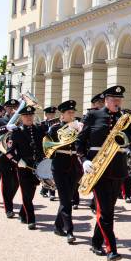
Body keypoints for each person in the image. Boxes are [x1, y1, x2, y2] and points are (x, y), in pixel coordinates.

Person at [76, 85, 131, 261]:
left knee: (108, 209)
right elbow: (80, 142)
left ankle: (96, 241)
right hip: (97, 167)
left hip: (117, 168)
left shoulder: (124, 118)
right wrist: (84, 160)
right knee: (105, 210)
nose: (117, 103)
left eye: (119, 100)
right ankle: (111, 249)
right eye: (114, 100)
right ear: (106, 100)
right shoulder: (93, 116)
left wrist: (129, 133)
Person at [4, 105, 45, 229]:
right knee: (26, 193)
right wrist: (18, 161)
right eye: (26, 116)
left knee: (31, 193)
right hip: (23, 166)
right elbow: (9, 152)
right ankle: (30, 219)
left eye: (30, 115)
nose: (28, 118)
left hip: (36, 166)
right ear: (21, 117)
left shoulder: (39, 130)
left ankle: (23, 213)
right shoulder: (16, 133)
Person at [47, 100, 80, 244]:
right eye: (69, 113)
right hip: (59, 165)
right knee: (66, 200)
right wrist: (68, 130)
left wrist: (80, 131)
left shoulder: (78, 127)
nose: (72, 115)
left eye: (73, 112)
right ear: (62, 114)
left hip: (73, 165)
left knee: (68, 197)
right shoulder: (55, 128)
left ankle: (57, 226)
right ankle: (70, 230)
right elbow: (49, 145)